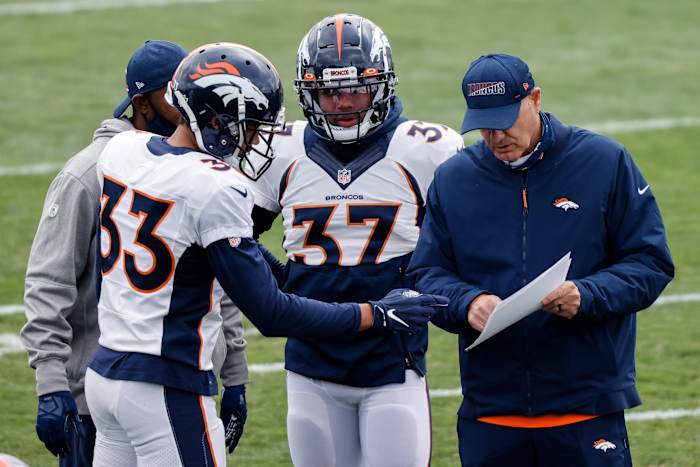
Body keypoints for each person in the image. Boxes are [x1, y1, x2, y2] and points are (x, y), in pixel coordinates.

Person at [83, 42, 447, 467]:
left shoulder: (122, 151)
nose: (254, 138)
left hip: (105, 371)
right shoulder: (214, 185)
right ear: (216, 120)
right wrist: (374, 314)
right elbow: (270, 313)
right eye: (250, 125)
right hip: (166, 383)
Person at [408, 53, 675, 466]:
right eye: (484, 124)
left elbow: (650, 261)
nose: (496, 136)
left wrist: (587, 295)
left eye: (505, 119)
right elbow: (426, 273)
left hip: (586, 405)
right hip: (491, 410)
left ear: (534, 98)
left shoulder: (604, 162)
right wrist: (468, 303)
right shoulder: (454, 179)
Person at [248, 14, 464, 467]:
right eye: (329, 91)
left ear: (382, 86)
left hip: (392, 363)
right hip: (311, 363)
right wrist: (280, 278)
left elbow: (471, 241)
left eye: (355, 89)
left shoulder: (426, 148)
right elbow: (229, 238)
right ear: (310, 93)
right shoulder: (281, 151)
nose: (343, 102)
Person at [20, 39, 206, 467]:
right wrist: (51, 385)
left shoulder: (194, 172)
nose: (188, 104)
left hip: (178, 386)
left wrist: (234, 374)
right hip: (99, 401)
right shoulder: (88, 174)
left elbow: (213, 281)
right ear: (142, 103)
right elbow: (49, 283)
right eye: (174, 94)